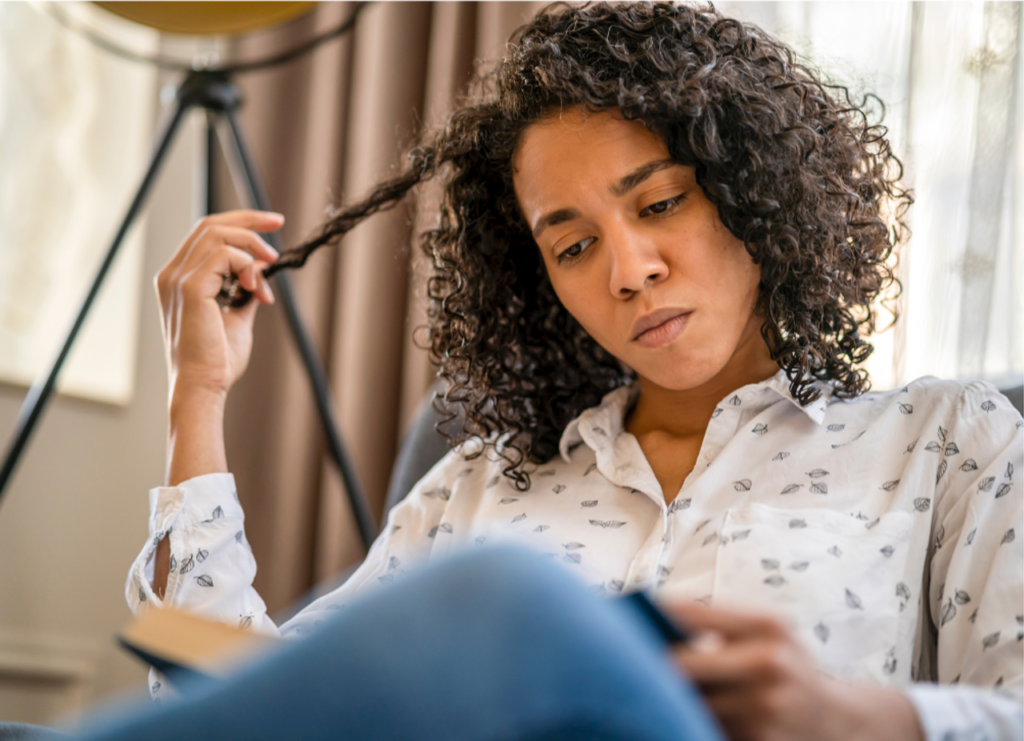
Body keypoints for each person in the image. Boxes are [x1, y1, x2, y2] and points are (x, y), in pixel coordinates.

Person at [123, 2, 1022, 740]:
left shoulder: (945, 445)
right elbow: (228, 711)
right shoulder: (478, 481)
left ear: (754, 188)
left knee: (508, 593)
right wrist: (197, 397)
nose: (628, 270)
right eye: (576, 244)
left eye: (661, 202)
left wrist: (853, 716)